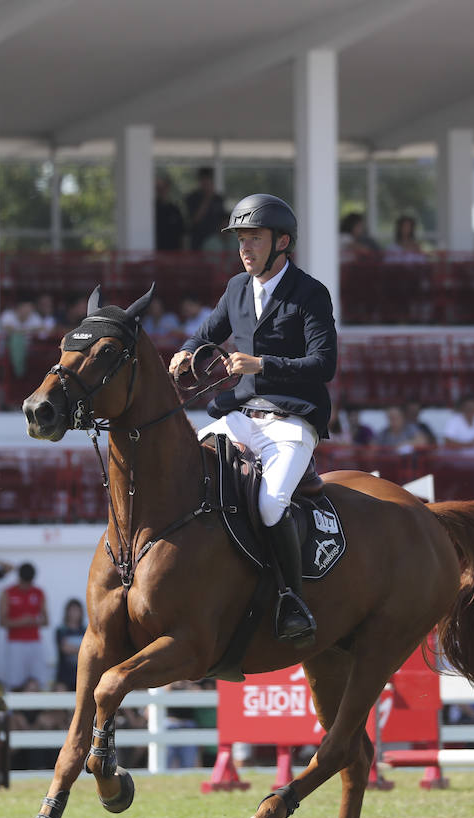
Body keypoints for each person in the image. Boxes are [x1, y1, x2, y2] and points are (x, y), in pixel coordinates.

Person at [169, 193, 336, 647]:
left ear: (283, 242)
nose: (245, 248)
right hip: (240, 415)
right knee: (184, 469)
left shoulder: (310, 293)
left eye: (254, 239)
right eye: (241, 239)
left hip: (289, 421)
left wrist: (262, 365)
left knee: (268, 505)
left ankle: (290, 599)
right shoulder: (236, 288)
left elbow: (324, 364)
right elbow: (206, 333)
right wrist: (185, 350)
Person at [0, 562, 51, 688]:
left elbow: (46, 621)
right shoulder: (7, 593)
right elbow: (2, 621)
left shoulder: (39, 592)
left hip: (35, 642)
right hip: (15, 643)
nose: (27, 586)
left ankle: (41, 707)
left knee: (39, 679)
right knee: (15, 680)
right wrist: (22, 621)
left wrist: (33, 621)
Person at [183, 167, 225, 251]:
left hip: (215, 241)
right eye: (204, 180)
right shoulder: (192, 198)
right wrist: (207, 199)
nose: (206, 183)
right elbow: (194, 219)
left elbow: (222, 220)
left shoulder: (218, 199)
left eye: (208, 180)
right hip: (198, 239)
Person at [53, 598, 86, 692]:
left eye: (77, 610)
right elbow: (65, 649)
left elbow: (93, 651)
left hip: (83, 676)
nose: (74, 613)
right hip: (64, 676)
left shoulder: (86, 631)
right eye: (72, 610)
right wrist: (82, 649)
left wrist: (74, 649)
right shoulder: (61, 631)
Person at [154, 176, 186, 252]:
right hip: (157, 253)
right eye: (159, 188)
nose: (162, 191)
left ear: (168, 188)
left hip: (174, 254)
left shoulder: (175, 209)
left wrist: (183, 252)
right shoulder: (152, 210)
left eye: (164, 187)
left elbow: (182, 233)